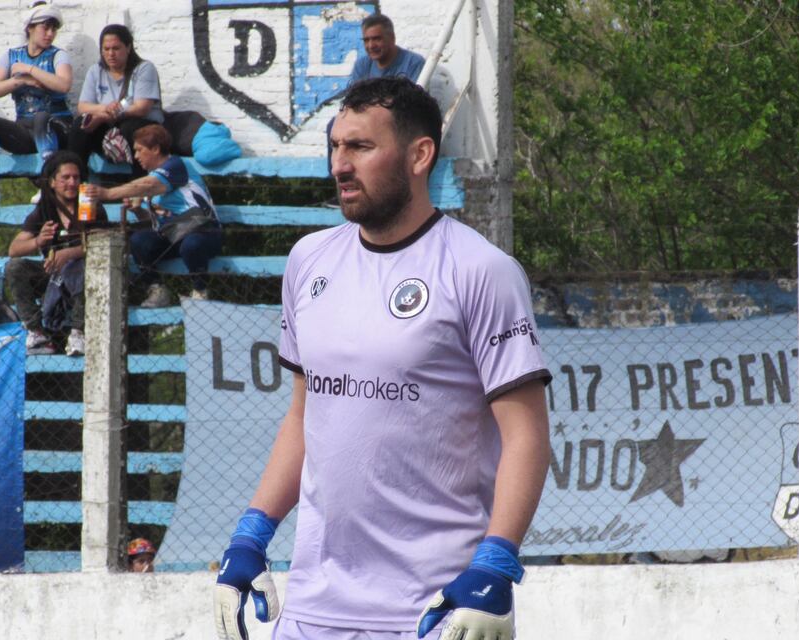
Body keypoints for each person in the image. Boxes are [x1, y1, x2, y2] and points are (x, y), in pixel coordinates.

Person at [213, 78, 551, 639]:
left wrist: (496, 564)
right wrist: (251, 534)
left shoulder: (480, 271)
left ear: (420, 155)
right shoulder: (309, 261)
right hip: (313, 609)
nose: (340, 165)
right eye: (335, 146)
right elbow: (303, 417)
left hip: (434, 609)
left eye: (361, 147)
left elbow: (527, 437)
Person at [83, 124, 221, 308]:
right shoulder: (154, 180)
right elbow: (154, 222)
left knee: (191, 244)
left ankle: (200, 290)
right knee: (139, 241)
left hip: (204, 232)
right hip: (173, 235)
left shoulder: (176, 165)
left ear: (155, 149)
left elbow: (149, 184)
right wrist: (138, 211)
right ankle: (157, 290)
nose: (136, 156)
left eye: (139, 150)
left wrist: (108, 193)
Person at [5, 150, 107, 356]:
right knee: (15, 267)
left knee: (81, 268)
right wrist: (38, 241)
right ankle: (36, 332)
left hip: (82, 274)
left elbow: (102, 244)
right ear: (52, 182)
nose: (72, 183)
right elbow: (14, 249)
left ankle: (78, 333)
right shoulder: (44, 210)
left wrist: (68, 254)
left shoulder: (90, 206)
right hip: (51, 275)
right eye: (65, 178)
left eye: (76, 177)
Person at [0, 2, 73, 210]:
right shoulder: (12, 56)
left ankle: (46, 182)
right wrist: (20, 80)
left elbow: (64, 84)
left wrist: (30, 70)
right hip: (25, 129)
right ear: (30, 28)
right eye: (45, 28)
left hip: (55, 126)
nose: (50, 34)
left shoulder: (58, 55)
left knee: (41, 117)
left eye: (54, 29)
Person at [324, 14, 426, 182]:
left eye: (377, 39)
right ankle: (338, 181)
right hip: (366, 119)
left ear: (392, 38)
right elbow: (354, 99)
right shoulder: (362, 65)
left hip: (398, 121)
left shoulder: (413, 63)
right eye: (366, 40)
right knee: (333, 125)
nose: (371, 45)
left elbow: (410, 103)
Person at [68, 24, 164, 177]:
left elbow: (141, 108)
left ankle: (141, 185)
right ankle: (76, 180)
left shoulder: (144, 69)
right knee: (81, 125)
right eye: (106, 49)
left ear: (128, 47)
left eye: (116, 48)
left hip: (141, 127)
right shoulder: (95, 70)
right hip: (110, 130)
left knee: (131, 128)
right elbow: (83, 106)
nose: (111, 54)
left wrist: (106, 116)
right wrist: (105, 109)